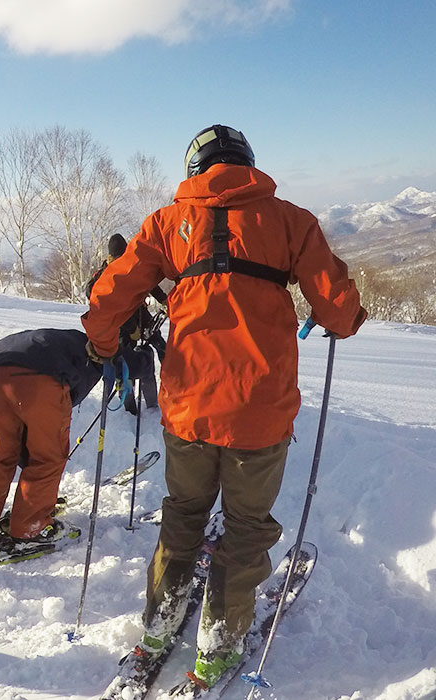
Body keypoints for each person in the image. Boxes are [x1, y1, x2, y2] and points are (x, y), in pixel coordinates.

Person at [82, 124, 367, 694]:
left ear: (196, 168)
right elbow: (338, 309)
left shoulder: (167, 223)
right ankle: (218, 646)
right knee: (243, 531)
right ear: (247, 163)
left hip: (187, 408)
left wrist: (104, 344)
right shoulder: (291, 221)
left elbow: (109, 296)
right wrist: (343, 318)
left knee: (184, 513)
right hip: (259, 417)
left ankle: (160, 626)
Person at [0, 328, 105, 556]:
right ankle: (30, 528)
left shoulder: (62, 340)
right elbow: (69, 396)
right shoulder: (93, 354)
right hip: (37, 376)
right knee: (47, 456)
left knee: (1, 453)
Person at [85, 233, 168, 414]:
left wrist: (164, 299)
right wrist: (131, 329)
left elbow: (147, 283)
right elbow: (108, 304)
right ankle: (130, 407)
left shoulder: (130, 267)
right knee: (123, 362)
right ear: (109, 258)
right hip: (118, 323)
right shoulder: (101, 278)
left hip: (139, 314)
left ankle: (167, 393)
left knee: (162, 348)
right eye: (118, 259)